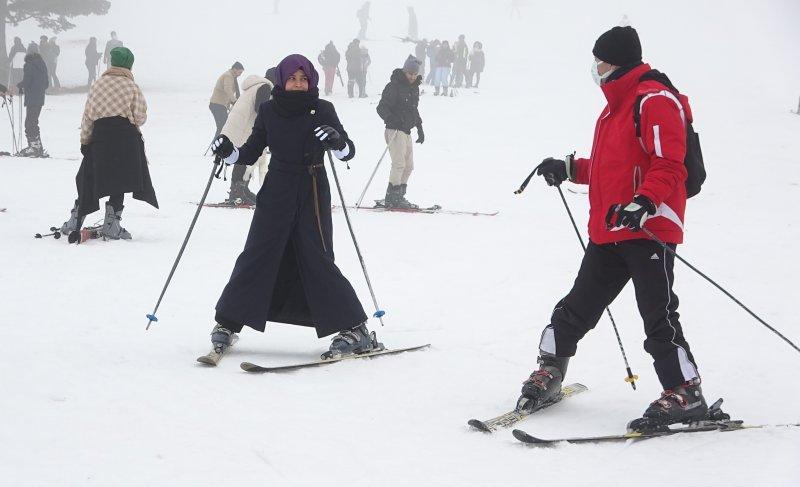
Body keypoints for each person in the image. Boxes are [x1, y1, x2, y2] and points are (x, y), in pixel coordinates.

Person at [516, 26, 708, 431]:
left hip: (649, 227)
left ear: (615, 60)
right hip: (613, 228)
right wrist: (569, 168)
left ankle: (685, 391)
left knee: (658, 317)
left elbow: (669, 163)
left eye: (599, 59)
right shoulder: (614, 108)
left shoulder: (654, 99)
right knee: (576, 308)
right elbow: (611, 170)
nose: (595, 67)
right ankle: (550, 371)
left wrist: (645, 202)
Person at [207, 54, 382, 359]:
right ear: (282, 81)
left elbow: (347, 151)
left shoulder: (323, 109)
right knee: (257, 252)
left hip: (311, 188)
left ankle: (356, 328)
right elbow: (250, 151)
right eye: (292, 78)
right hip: (277, 188)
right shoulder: (269, 110)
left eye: (303, 79)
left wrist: (337, 141)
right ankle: (228, 322)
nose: (298, 84)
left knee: (316, 257)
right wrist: (229, 152)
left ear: (311, 81)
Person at [60, 47, 157, 241]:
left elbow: (88, 116)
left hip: (100, 137)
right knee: (118, 181)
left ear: (112, 63)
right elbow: (139, 116)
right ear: (129, 65)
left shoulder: (97, 84)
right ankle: (112, 225)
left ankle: (74, 219)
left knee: (88, 177)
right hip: (125, 138)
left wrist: (85, 141)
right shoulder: (131, 86)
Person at [376, 55, 424, 209]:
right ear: (404, 71)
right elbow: (381, 107)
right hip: (394, 130)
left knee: (409, 166)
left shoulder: (414, 88)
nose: (412, 77)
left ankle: (399, 195)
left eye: (414, 74)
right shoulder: (393, 86)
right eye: (410, 73)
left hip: (406, 131)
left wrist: (420, 127)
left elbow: (413, 109)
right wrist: (391, 119)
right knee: (399, 164)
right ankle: (392, 197)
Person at [219, 71, 274, 205]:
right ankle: (237, 192)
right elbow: (260, 108)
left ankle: (242, 189)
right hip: (244, 128)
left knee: (244, 157)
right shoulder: (265, 87)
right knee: (245, 157)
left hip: (239, 126)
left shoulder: (256, 86)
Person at [16, 43, 49, 157]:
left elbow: (27, 81)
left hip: (31, 98)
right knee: (33, 121)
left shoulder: (29, 65)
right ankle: (37, 146)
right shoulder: (42, 64)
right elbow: (46, 83)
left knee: (29, 122)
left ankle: (34, 147)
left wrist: (19, 86)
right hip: (40, 98)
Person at [209, 62, 244, 137]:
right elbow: (227, 89)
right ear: (235, 69)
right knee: (223, 127)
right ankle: (216, 145)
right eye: (240, 72)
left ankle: (218, 145)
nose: (240, 74)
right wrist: (235, 101)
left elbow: (227, 93)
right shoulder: (228, 76)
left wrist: (232, 103)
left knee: (224, 127)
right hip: (217, 105)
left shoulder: (231, 77)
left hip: (220, 105)